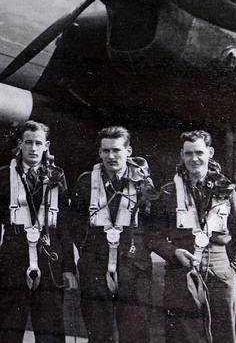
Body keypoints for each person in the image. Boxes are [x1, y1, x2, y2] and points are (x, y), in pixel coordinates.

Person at [147, 130, 236, 342]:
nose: (194, 159)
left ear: (210, 153)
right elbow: (153, 237)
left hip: (220, 271)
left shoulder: (226, 191)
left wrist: (232, 273)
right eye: (188, 154)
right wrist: (173, 252)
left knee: (222, 335)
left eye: (199, 153)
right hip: (180, 271)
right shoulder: (168, 193)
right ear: (182, 155)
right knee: (183, 335)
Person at [0, 120, 77, 343]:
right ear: (20, 144)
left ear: (46, 146)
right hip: (13, 255)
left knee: (51, 330)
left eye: (38, 143)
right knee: (10, 328)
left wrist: (68, 268)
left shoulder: (57, 175)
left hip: (49, 256)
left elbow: (64, 224)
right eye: (28, 143)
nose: (33, 148)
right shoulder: (2, 175)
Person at [68, 126, 155, 342]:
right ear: (99, 152)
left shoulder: (142, 182)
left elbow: (152, 225)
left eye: (116, 150)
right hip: (95, 267)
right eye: (106, 151)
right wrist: (90, 253)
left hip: (133, 268)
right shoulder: (86, 181)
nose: (111, 156)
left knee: (135, 334)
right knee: (99, 334)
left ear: (128, 151)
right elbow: (75, 224)